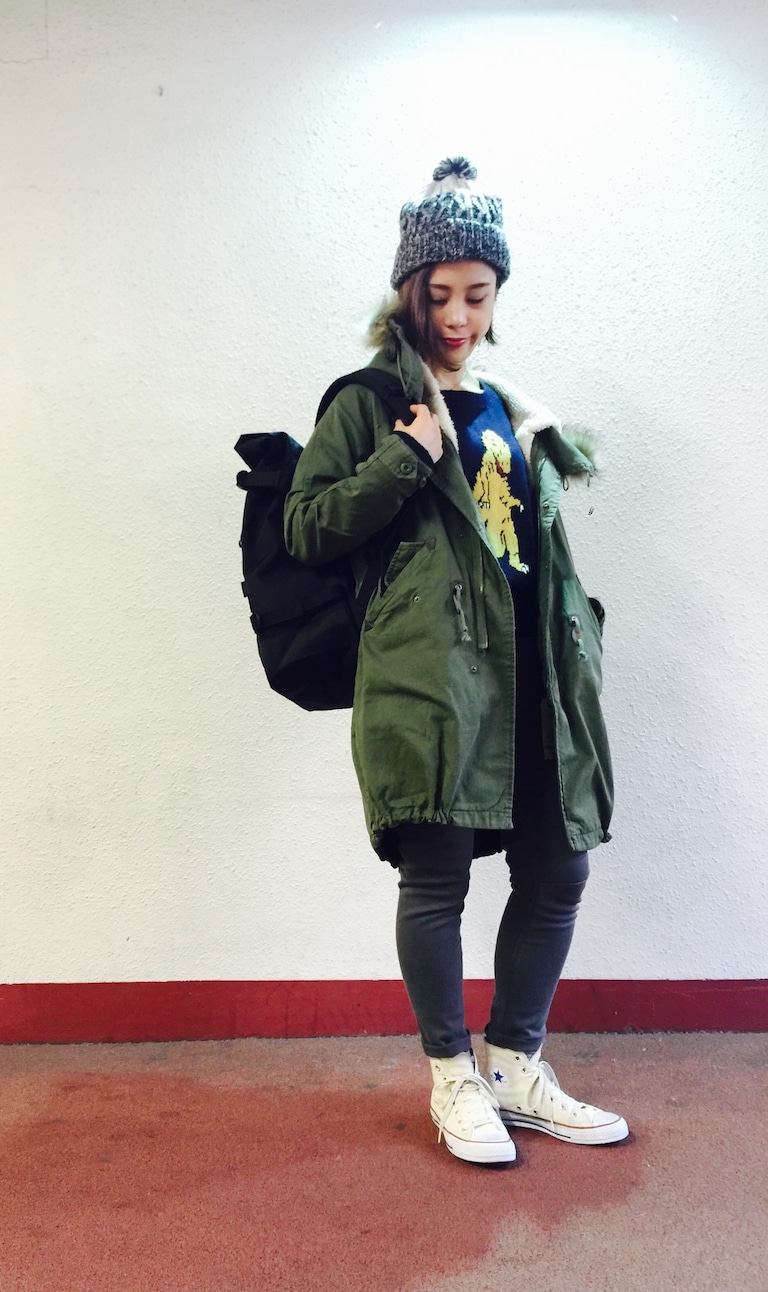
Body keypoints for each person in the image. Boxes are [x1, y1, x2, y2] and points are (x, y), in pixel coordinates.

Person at [283, 157, 629, 1166]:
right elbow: (306, 527)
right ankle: (452, 1074)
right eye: (437, 293)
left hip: (534, 675)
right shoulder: (369, 400)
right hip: (432, 675)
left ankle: (515, 1063)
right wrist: (404, 458)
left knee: (558, 865)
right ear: (407, 290)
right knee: (435, 874)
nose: (456, 315)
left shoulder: (514, 412)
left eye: (477, 293)